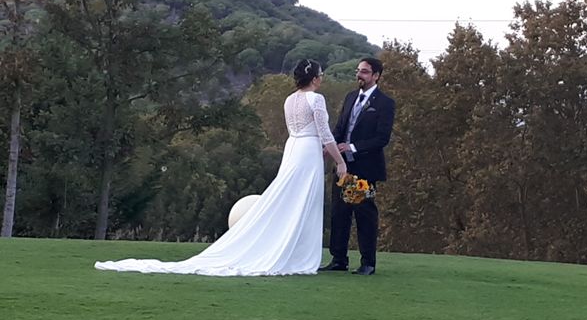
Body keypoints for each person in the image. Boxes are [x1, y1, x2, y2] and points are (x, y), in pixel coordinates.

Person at [95, 59, 347, 276]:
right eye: (321, 76)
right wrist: (340, 161)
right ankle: (297, 255)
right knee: (303, 201)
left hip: (293, 148)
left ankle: (293, 251)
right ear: (314, 78)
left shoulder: (290, 100)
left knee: (291, 199)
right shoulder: (316, 99)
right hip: (306, 152)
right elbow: (324, 134)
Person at [319, 57, 395, 275]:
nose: (359, 75)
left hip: (366, 168)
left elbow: (382, 138)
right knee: (339, 213)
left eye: (364, 71)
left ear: (376, 76)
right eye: (358, 71)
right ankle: (338, 259)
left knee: (365, 215)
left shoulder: (384, 103)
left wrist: (351, 147)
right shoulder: (351, 97)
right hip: (342, 167)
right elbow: (340, 127)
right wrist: (330, 146)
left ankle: (368, 262)